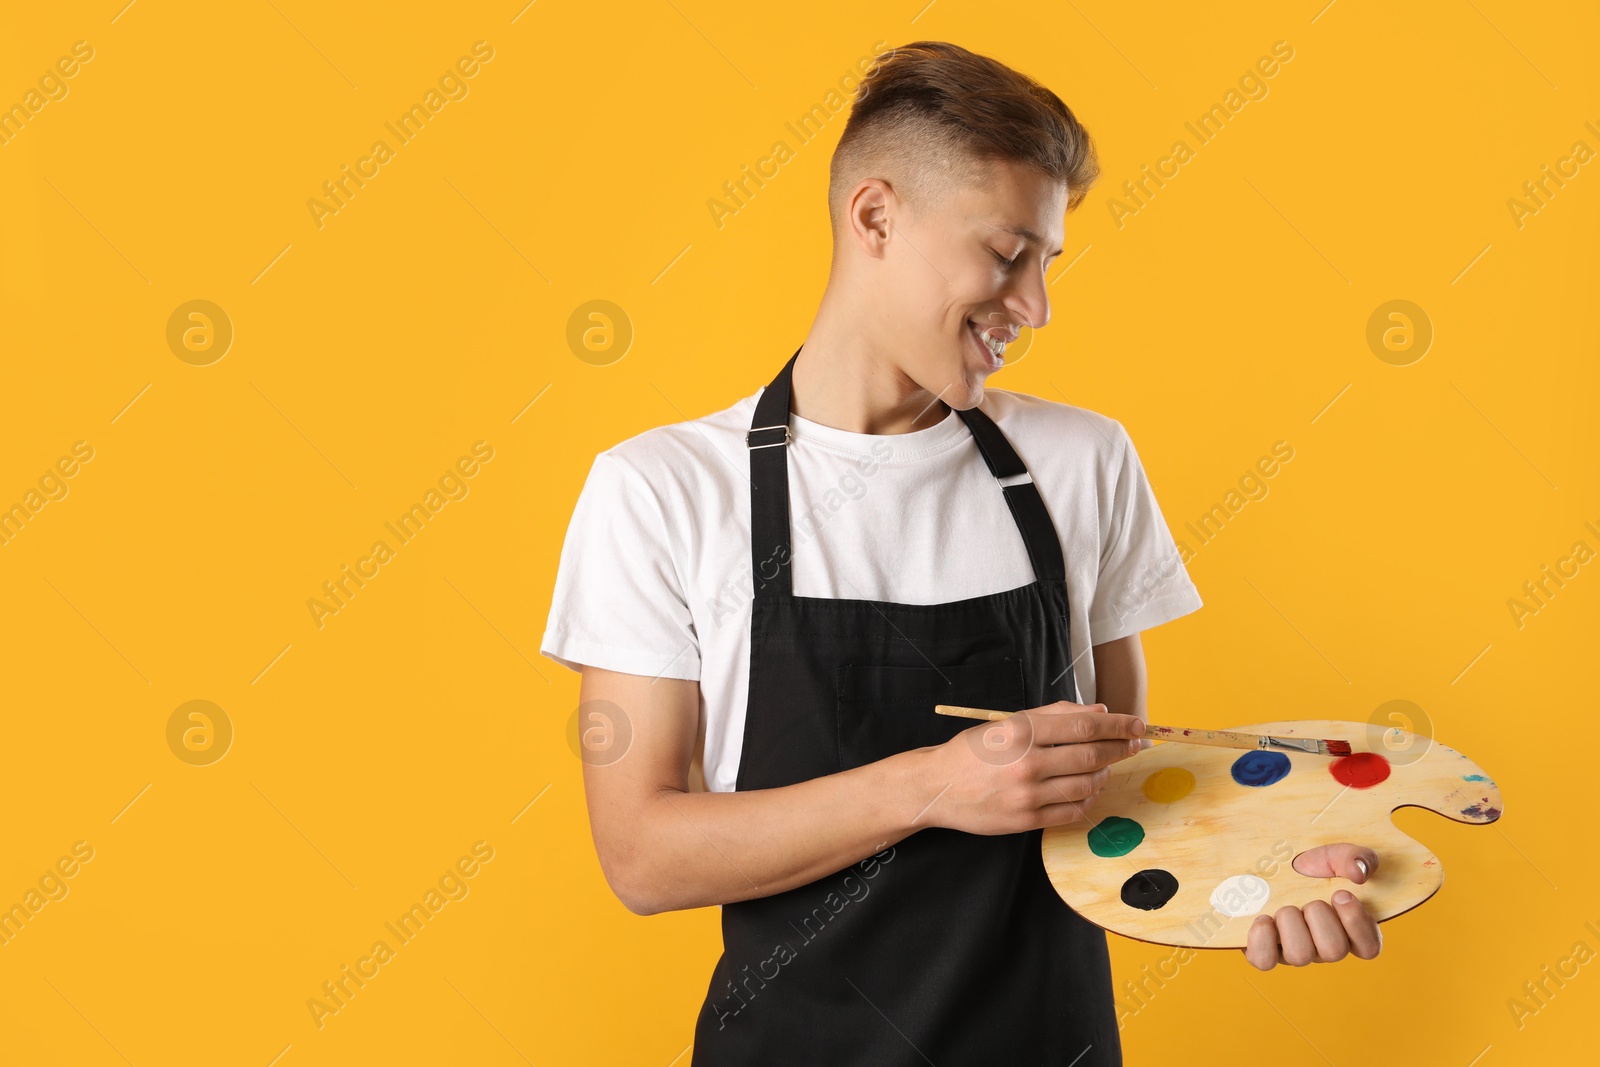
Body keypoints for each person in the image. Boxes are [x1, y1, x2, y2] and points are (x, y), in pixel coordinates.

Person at [540, 39, 1381, 1066]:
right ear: (876, 217)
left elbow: (1121, 786)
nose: (1034, 307)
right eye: (1005, 254)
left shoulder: (1081, 461)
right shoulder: (662, 491)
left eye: (1046, 264)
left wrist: (1267, 862)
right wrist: (933, 786)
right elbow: (641, 854)